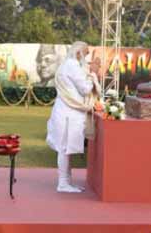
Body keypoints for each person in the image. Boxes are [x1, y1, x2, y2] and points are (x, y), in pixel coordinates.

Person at [45, 41, 101, 193]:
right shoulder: (72, 65)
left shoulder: (67, 65)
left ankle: (67, 182)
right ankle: (63, 183)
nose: (87, 58)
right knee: (64, 148)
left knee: (66, 149)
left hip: (66, 112)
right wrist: (94, 72)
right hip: (68, 113)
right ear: (79, 53)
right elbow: (85, 89)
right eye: (86, 53)